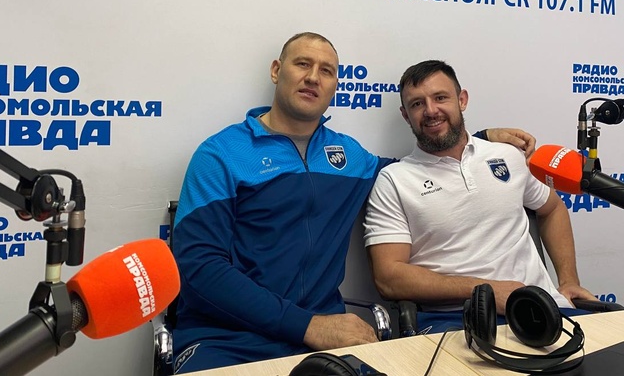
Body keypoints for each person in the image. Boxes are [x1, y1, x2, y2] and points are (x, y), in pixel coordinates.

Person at [171, 34, 537, 372]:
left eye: (326, 71)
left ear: (335, 85)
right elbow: (200, 268)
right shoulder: (221, 154)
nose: (313, 77)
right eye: (302, 64)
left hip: (325, 338)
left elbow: (414, 171)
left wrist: (481, 138)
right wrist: (307, 325)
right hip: (228, 339)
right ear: (276, 71)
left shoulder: (348, 156)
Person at [364, 59, 597, 334]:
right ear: (406, 115)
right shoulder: (394, 180)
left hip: (541, 308)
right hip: (456, 321)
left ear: (462, 100)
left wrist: (568, 280)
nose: (431, 111)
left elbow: (553, 209)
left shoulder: (508, 155)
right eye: (417, 104)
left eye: (440, 98)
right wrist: (485, 291)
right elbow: (389, 278)